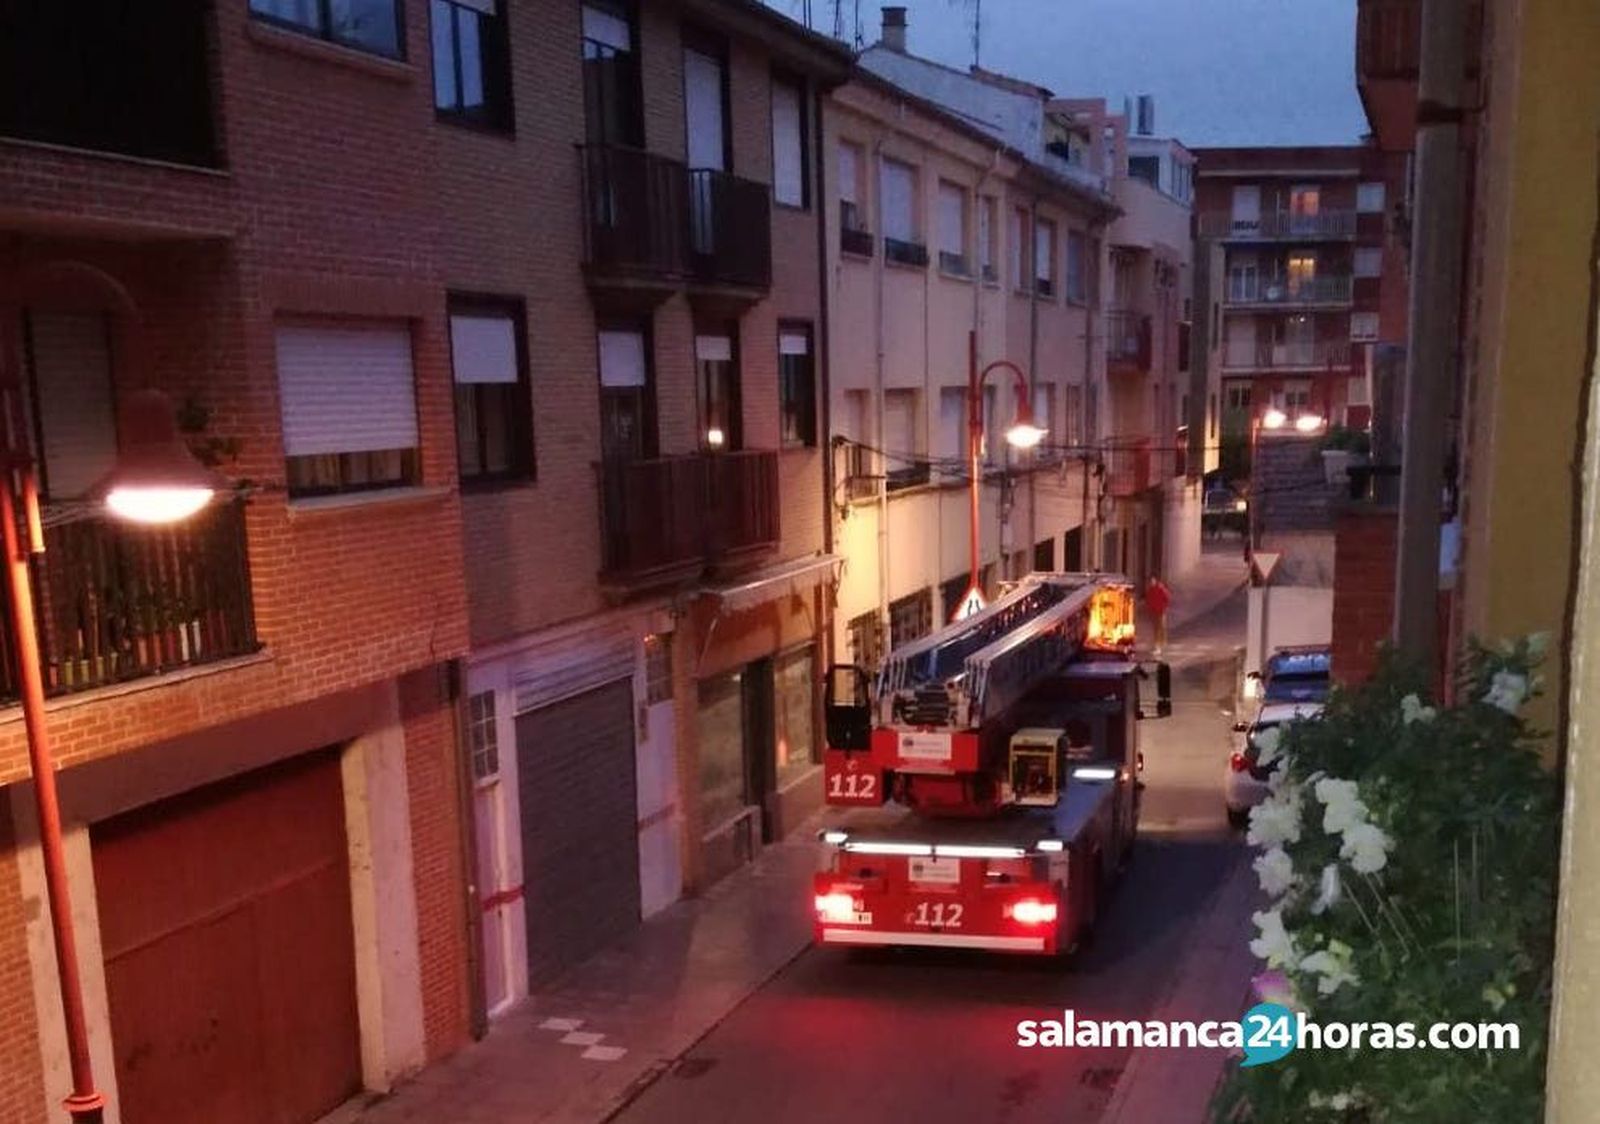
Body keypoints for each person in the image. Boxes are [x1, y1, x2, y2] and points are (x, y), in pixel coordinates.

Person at [1144, 575, 1171, 652]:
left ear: (1155, 581)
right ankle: (1158, 644)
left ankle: (1159, 644)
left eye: (1152, 581)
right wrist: (1149, 608)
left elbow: (1167, 598)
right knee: (1156, 628)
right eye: (1150, 581)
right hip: (1153, 612)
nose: (1151, 583)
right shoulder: (1150, 590)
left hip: (1161, 611)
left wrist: (1163, 608)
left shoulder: (1160, 588)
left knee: (1160, 627)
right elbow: (1148, 600)